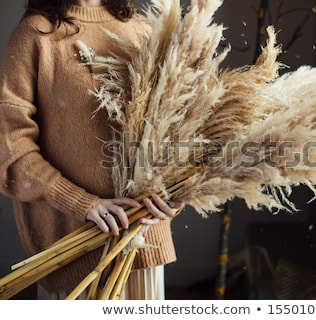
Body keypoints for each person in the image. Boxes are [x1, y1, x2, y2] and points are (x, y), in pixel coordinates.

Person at [0, 0, 184, 299]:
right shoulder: (35, 35)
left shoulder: (142, 28)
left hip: (144, 239)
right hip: (74, 249)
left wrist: (175, 192)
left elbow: (174, 128)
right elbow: (9, 146)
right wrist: (81, 203)